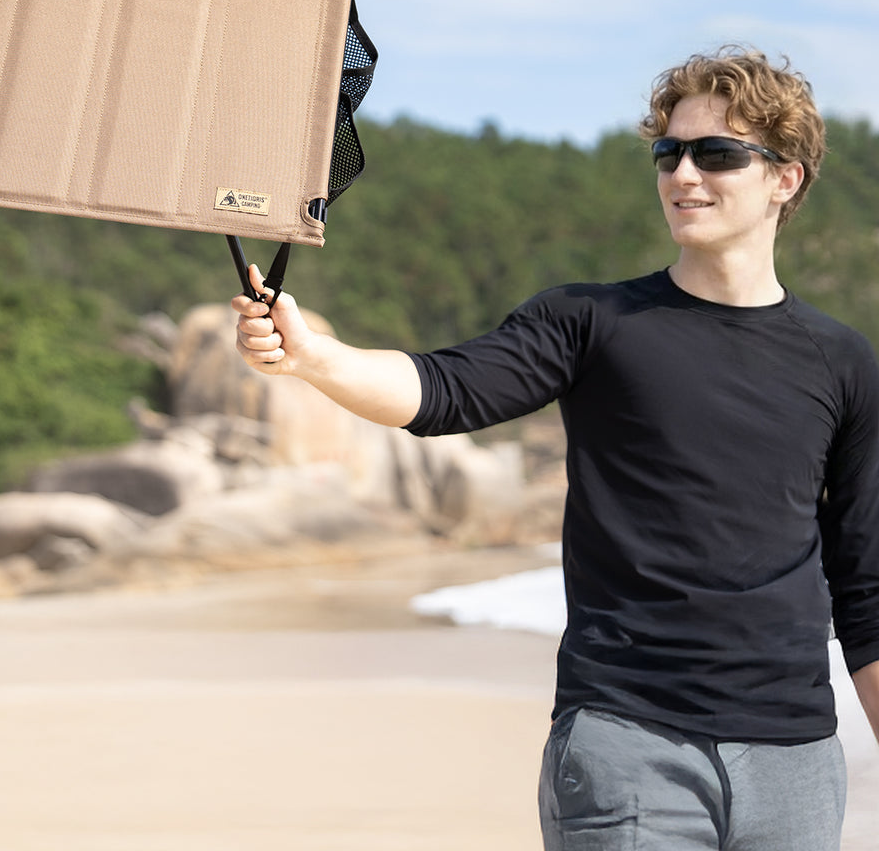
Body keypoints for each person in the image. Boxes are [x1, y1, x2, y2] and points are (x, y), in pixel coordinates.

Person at [233, 48, 879, 850]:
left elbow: (866, 586)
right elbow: (444, 391)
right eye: (668, 153)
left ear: (785, 178)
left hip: (796, 760)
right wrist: (314, 358)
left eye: (716, 154)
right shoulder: (589, 323)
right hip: (629, 742)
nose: (683, 174)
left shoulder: (841, 361)